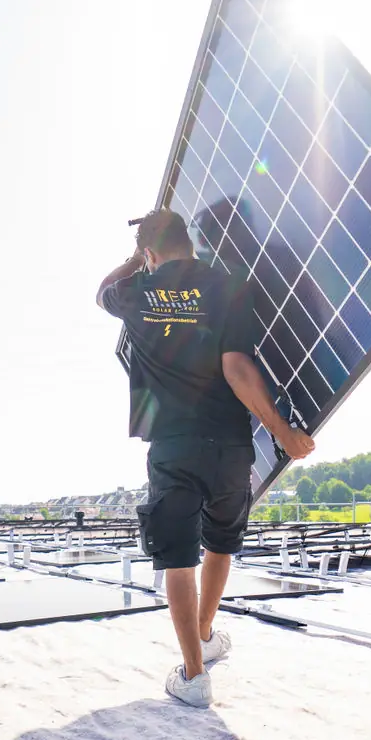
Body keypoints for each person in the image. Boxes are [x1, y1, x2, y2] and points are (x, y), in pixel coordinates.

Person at [96, 208, 314, 708]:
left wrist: (135, 261)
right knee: (221, 543)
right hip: (230, 442)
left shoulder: (135, 291)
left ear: (149, 252)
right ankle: (207, 633)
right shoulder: (228, 285)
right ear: (189, 242)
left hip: (173, 444)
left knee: (177, 558)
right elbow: (236, 367)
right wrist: (281, 430)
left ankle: (194, 675)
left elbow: (101, 290)